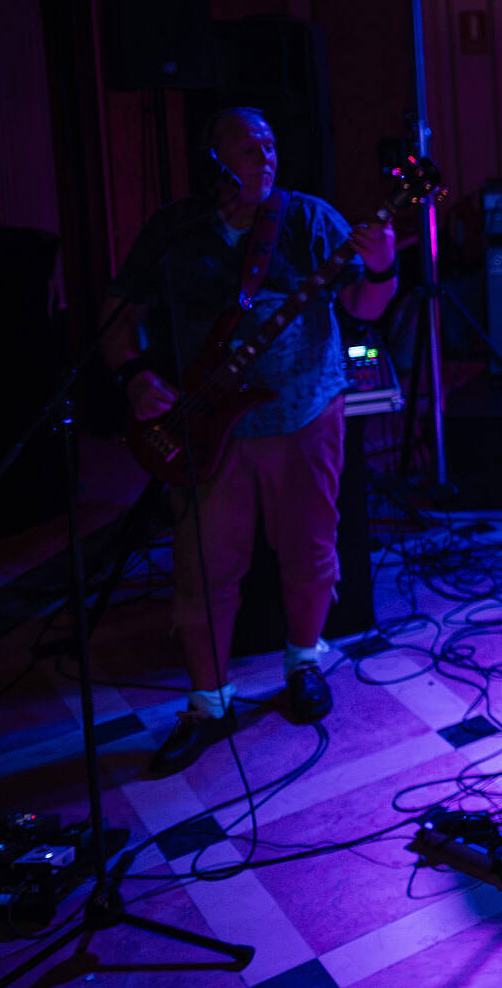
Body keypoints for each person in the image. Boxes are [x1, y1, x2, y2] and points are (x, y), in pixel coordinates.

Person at [101, 107, 398, 777]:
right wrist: (135, 376)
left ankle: (303, 662)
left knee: (310, 549)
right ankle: (209, 704)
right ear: (212, 159)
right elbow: (117, 318)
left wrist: (380, 269)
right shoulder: (175, 232)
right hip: (207, 428)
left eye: (269, 142)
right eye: (245, 145)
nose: (264, 155)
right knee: (205, 566)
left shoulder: (309, 219)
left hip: (305, 412)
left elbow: (366, 309)